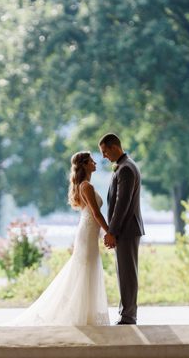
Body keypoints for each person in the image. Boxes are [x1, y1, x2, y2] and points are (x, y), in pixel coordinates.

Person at [10, 151, 111, 326]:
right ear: (85, 164)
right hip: (87, 233)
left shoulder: (85, 185)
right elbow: (96, 213)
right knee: (85, 269)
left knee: (87, 269)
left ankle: (87, 313)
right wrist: (109, 232)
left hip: (88, 232)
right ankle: (79, 314)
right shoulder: (86, 186)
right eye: (92, 161)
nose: (95, 163)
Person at [98, 133, 145, 325]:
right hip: (127, 229)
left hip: (126, 230)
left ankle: (128, 316)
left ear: (114, 147)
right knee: (125, 273)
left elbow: (121, 204)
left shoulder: (125, 169)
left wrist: (112, 232)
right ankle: (126, 313)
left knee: (127, 274)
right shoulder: (126, 166)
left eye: (104, 151)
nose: (103, 156)